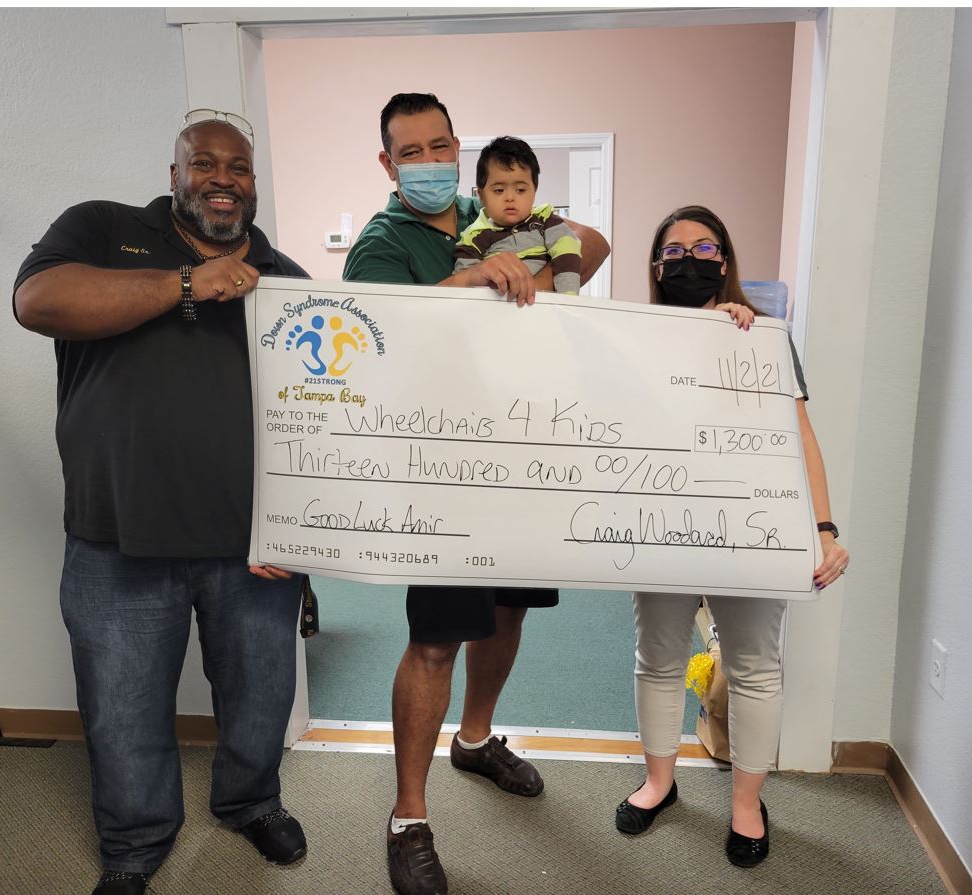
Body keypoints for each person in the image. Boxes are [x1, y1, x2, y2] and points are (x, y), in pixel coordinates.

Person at [14, 111, 310, 895]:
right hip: (117, 534)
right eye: (203, 163)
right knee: (121, 705)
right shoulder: (104, 229)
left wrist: (301, 529)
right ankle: (134, 841)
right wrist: (188, 283)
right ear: (174, 174)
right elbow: (37, 301)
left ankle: (251, 801)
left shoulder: (285, 277)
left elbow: (323, 417)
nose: (222, 178)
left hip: (253, 543)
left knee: (261, 694)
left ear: (253, 183)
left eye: (238, 167)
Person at [342, 93, 609, 895]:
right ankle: (408, 816)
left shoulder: (490, 209)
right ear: (387, 163)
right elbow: (378, 338)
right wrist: (468, 278)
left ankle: (475, 738)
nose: (429, 162)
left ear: (458, 148)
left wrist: (530, 266)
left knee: (508, 609)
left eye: (440, 147)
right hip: (443, 468)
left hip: (523, 453)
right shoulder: (381, 243)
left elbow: (592, 246)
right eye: (410, 151)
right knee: (435, 638)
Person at [613, 205, 850, 868]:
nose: (689, 259)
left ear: (724, 262)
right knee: (657, 656)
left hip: (749, 526)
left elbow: (799, 435)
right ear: (656, 266)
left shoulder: (763, 336)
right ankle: (659, 781)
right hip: (661, 524)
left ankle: (747, 804)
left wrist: (822, 528)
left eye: (704, 248)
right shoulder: (634, 336)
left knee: (753, 666)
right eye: (674, 250)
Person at [454, 136, 582, 295]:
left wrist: (568, 297)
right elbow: (465, 287)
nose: (510, 197)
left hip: (548, 307)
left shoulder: (547, 221)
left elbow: (568, 251)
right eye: (499, 190)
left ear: (534, 192)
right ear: (481, 196)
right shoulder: (472, 237)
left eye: (520, 190)